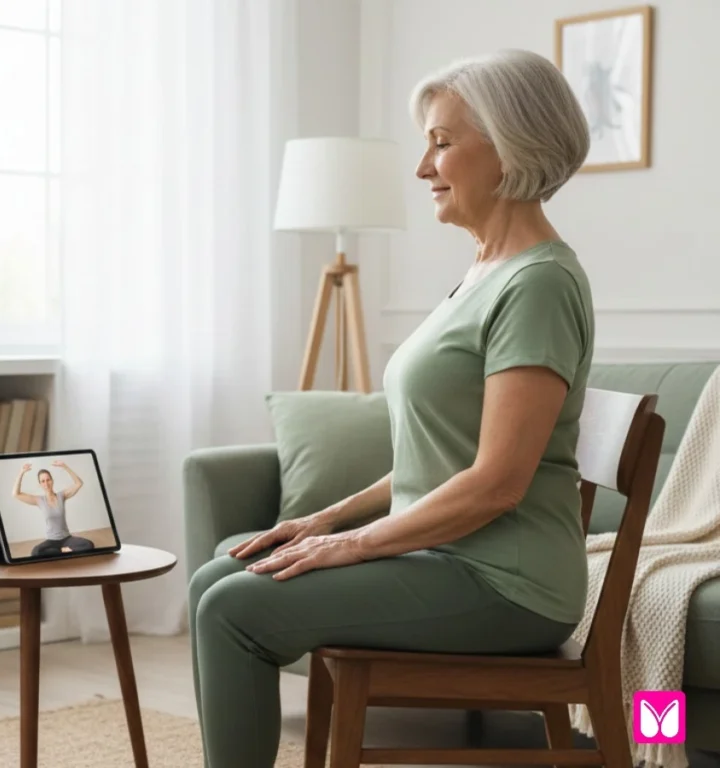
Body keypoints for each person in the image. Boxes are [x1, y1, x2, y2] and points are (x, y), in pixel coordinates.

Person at [187, 49, 595, 768]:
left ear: (510, 148)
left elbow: (497, 481)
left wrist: (354, 545)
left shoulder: (538, 285)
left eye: (442, 142)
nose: (422, 167)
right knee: (217, 573)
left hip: (506, 584)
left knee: (234, 609)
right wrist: (327, 518)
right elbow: (435, 455)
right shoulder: (483, 273)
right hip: (449, 557)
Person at [13, 460, 95, 556]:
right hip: (51, 541)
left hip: (66, 538)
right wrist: (21, 473)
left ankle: (60, 552)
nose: (46, 483)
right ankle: (63, 551)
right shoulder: (39, 500)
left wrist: (65, 467)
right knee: (36, 552)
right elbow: (16, 494)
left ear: (52, 481)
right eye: (42, 481)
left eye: (48, 480)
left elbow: (79, 483)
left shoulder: (62, 495)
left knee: (88, 545)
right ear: (40, 484)